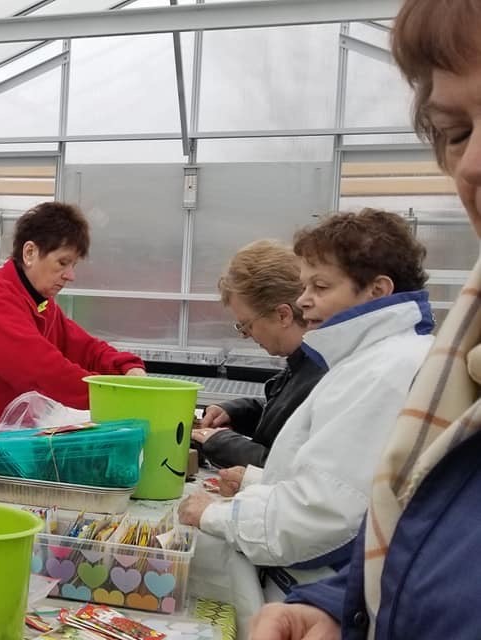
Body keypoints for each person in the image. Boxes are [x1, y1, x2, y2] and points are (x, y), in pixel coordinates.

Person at [252, 1, 481, 637]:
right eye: (457, 131)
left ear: (377, 288)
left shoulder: (395, 368)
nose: (471, 164)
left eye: (319, 287)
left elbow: (328, 505)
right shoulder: (447, 366)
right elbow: (417, 532)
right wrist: (343, 609)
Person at [179, 209, 433, 596]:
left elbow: (324, 512)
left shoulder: (383, 371)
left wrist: (215, 515)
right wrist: (256, 480)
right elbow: (340, 481)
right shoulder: (365, 362)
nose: (304, 301)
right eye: (304, 287)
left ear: (378, 291)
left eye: (320, 287)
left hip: (320, 586)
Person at [0, 202, 145, 498]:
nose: (70, 275)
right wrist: (118, 396)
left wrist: (126, 367)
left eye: (74, 265)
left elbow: (82, 345)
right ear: (30, 253)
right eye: (62, 263)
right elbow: (42, 372)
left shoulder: (38, 302)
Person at [193, 240, 324, 469]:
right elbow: (288, 417)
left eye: (247, 325)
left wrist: (223, 445)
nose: (246, 335)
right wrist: (238, 412)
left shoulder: (324, 373)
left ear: (283, 315)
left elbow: (286, 471)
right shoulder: (306, 364)